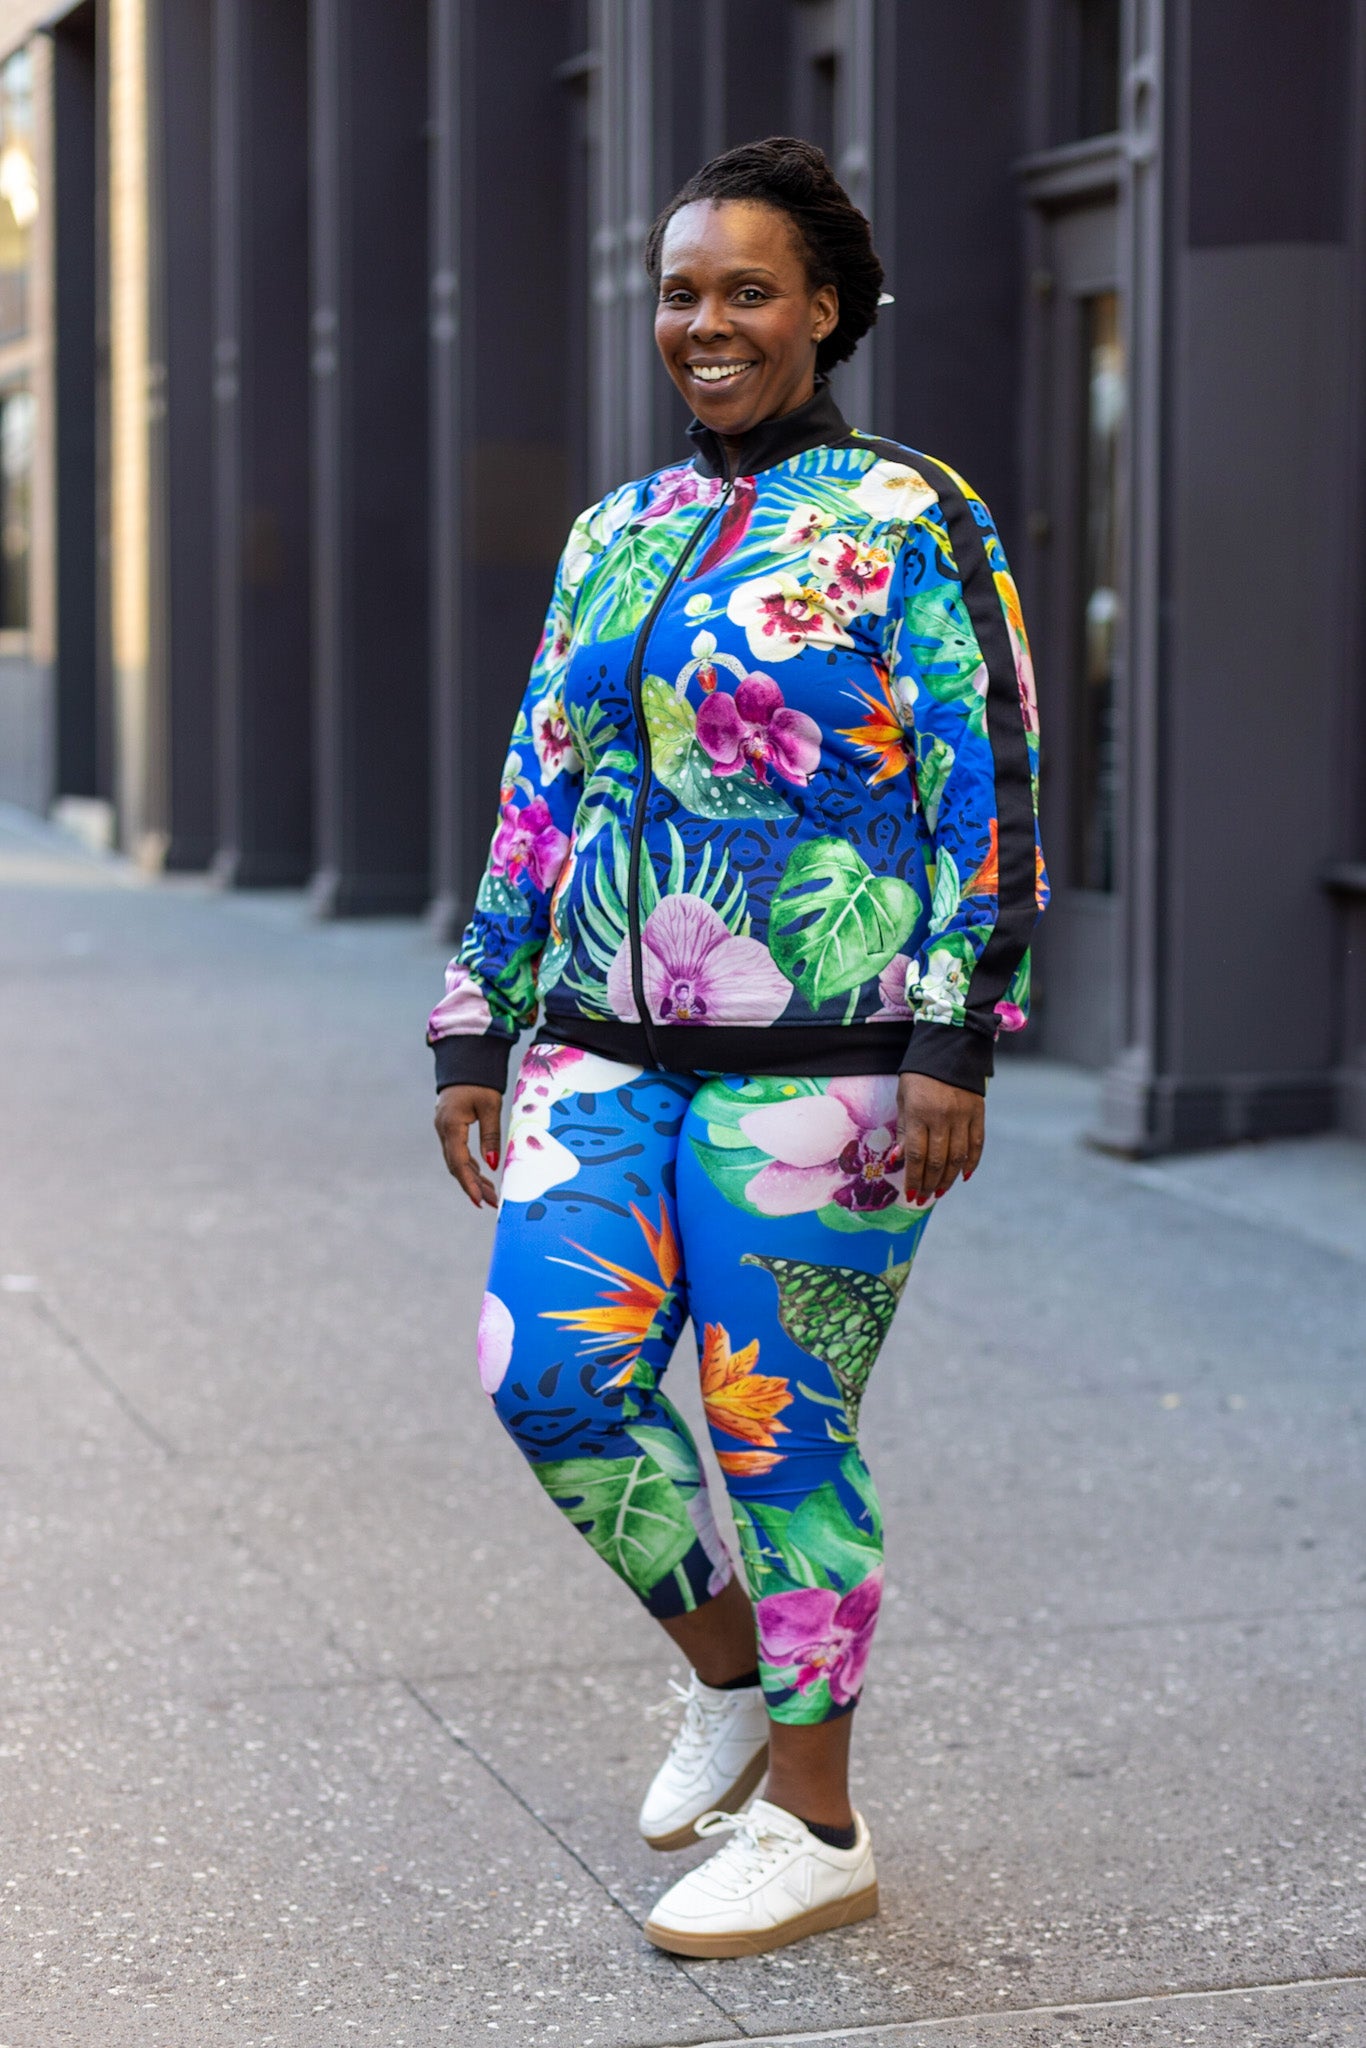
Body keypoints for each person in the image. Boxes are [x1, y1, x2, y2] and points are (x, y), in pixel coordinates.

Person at [429, 136, 1045, 1959]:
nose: (705, 322)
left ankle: (818, 1823)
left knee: (775, 1421)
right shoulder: (611, 530)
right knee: (547, 1376)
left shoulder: (909, 514)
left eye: (747, 290)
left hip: (831, 1059)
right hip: (597, 1039)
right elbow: (542, 786)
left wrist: (956, 1032)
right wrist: (474, 1016)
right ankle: (732, 1680)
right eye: (680, 291)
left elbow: (990, 781)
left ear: (825, 309)